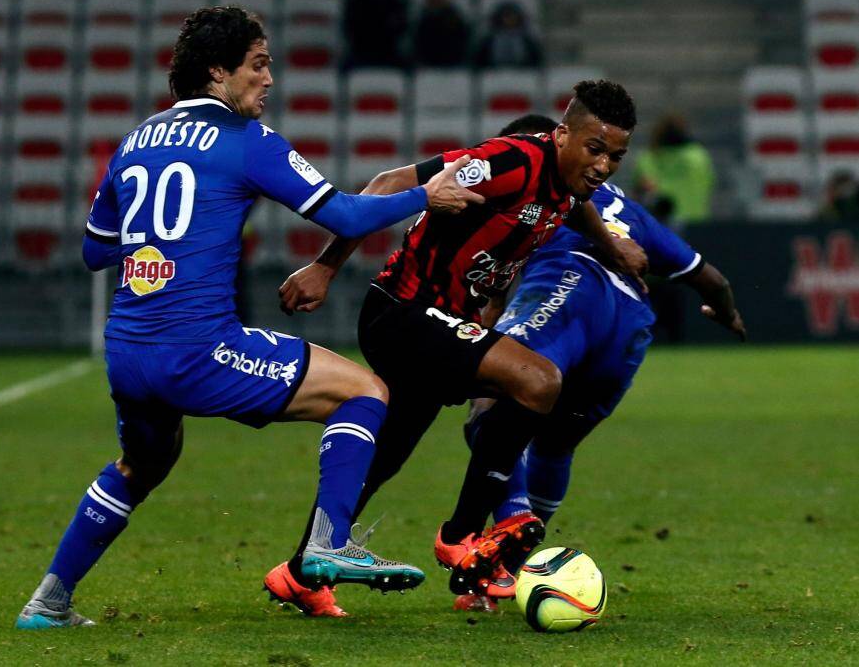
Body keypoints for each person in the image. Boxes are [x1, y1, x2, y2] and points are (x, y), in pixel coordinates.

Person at [15, 6, 483, 629]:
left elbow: (95, 250)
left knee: (143, 464)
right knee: (365, 392)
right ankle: (326, 545)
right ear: (218, 72)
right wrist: (426, 194)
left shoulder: (134, 141)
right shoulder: (245, 141)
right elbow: (343, 215)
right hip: (197, 349)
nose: (269, 80)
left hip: (128, 351)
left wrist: (156, 247)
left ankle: (47, 602)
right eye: (258, 65)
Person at [274, 82, 646, 612]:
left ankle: (300, 576)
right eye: (595, 148)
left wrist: (613, 248)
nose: (605, 165)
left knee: (385, 457)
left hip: (440, 324)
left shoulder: (570, 185)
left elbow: (578, 207)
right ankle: (463, 536)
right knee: (538, 380)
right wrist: (326, 266)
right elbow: (386, 184)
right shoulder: (511, 161)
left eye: (616, 155)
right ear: (562, 135)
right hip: (401, 315)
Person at [455, 113, 746, 612]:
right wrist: (728, 315)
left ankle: (505, 560)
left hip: (569, 291)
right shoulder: (629, 209)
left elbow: (500, 268)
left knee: (490, 405)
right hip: (630, 326)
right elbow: (711, 280)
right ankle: (532, 557)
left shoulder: (526, 184)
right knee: (553, 444)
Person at [633, 113, 715, 228]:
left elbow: (644, 188)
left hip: (663, 226)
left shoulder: (649, 158)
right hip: (698, 221)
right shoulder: (699, 155)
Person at [342, 0, 411, 70]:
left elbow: (402, 30)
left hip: (390, 54)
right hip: (361, 54)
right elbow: (349, 30)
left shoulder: (397, 3)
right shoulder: (355, 2)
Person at [473, 1, 542, 69]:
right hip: (492, 76)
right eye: (506, 16)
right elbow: (479, 60)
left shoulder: (527, 40)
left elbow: (536, 60)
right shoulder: (488, 40)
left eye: (513, 16)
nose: (510, 20)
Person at [412, 0, 470, 68]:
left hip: (452, 67)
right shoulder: (422, 17)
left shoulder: (453, 17)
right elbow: (417, 43)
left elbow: (460, 43)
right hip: (426, 67)